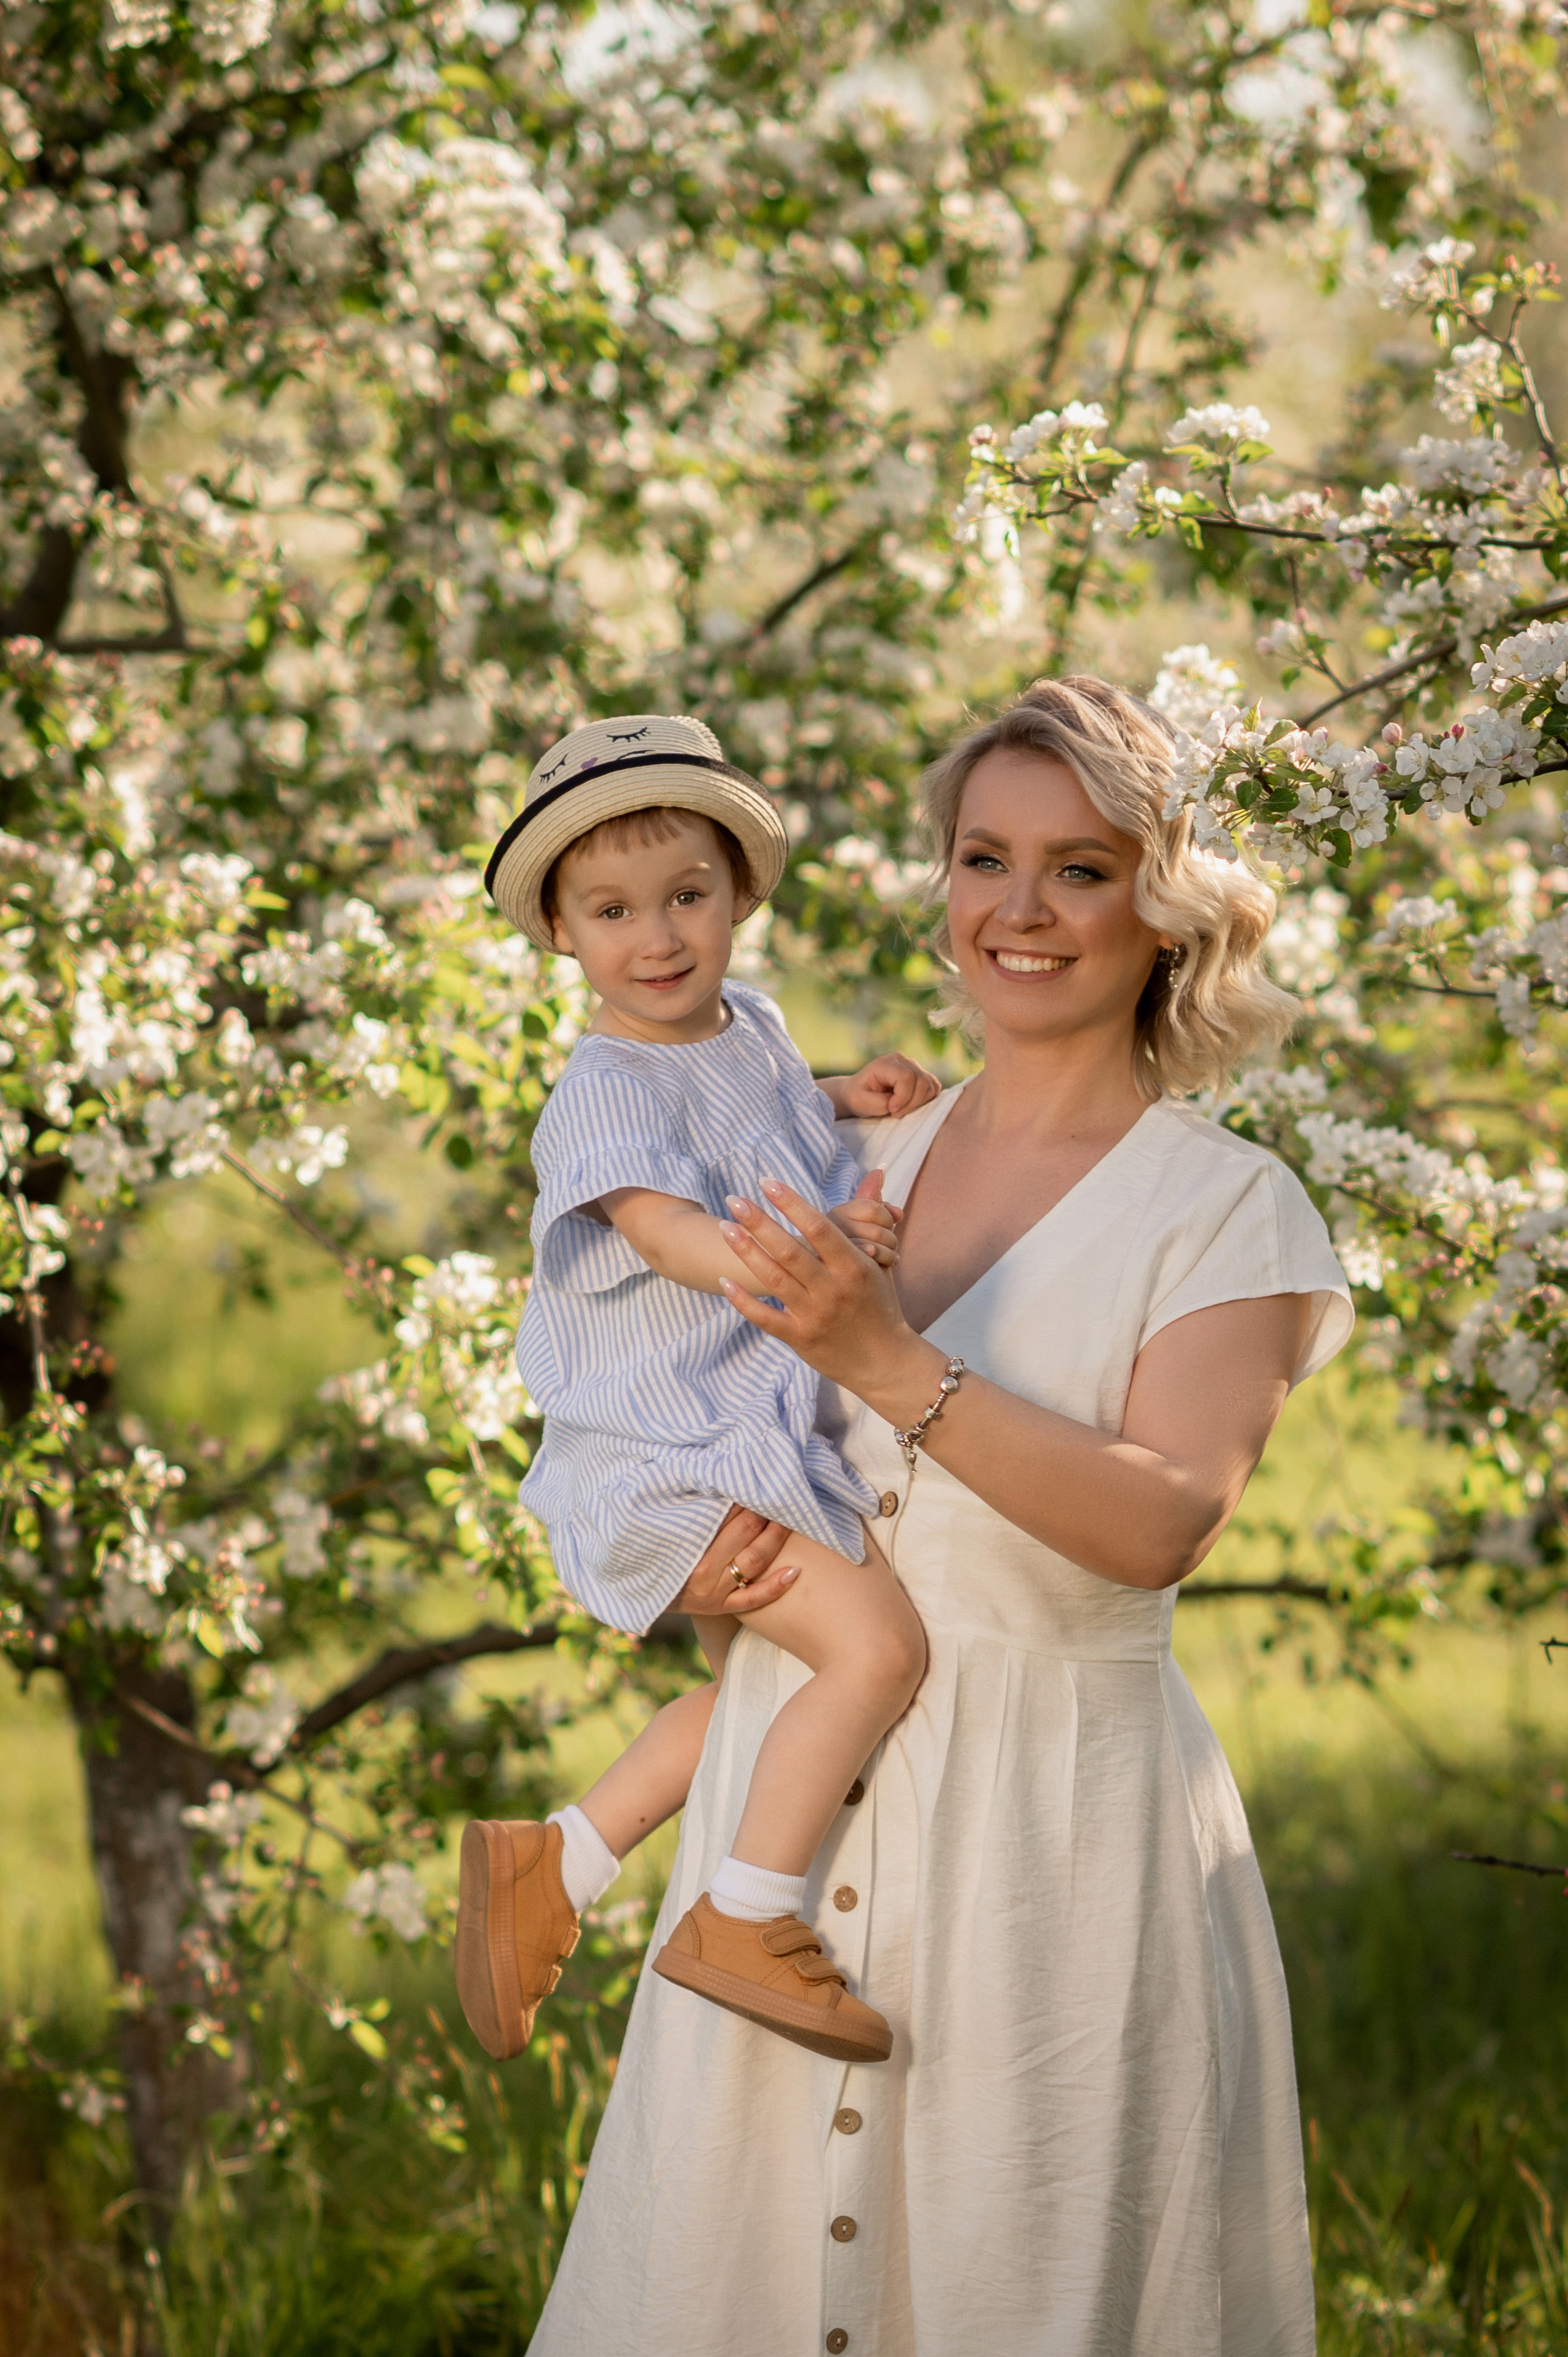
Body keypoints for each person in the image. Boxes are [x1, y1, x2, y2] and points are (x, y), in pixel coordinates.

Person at [526, 674, 1354, 2357]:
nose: (1018, 911)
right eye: (984, 858)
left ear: (1166, 905)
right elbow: (676, 1401)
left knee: (1020, 2283)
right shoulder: (843, 1165)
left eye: (1078, 867)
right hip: (775, 1873)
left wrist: (883, 1359)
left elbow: (1162, 1522)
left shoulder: (1226, 1209)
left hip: (1055, 1850)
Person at [455, 712, 941, 2072]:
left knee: (759, 1707)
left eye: (686, 895)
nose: (656, 936)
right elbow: (671, 1226)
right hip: (677, 1460)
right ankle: (745, 1914)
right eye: (611, 909)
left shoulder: (751, 1029)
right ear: (559, 932)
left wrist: (845, 1093)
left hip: (735, 1436)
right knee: (877, 1652)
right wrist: (819, 1252)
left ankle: (559, 1861)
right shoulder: (601, 1087)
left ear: (738, 894)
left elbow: (757, 1116)